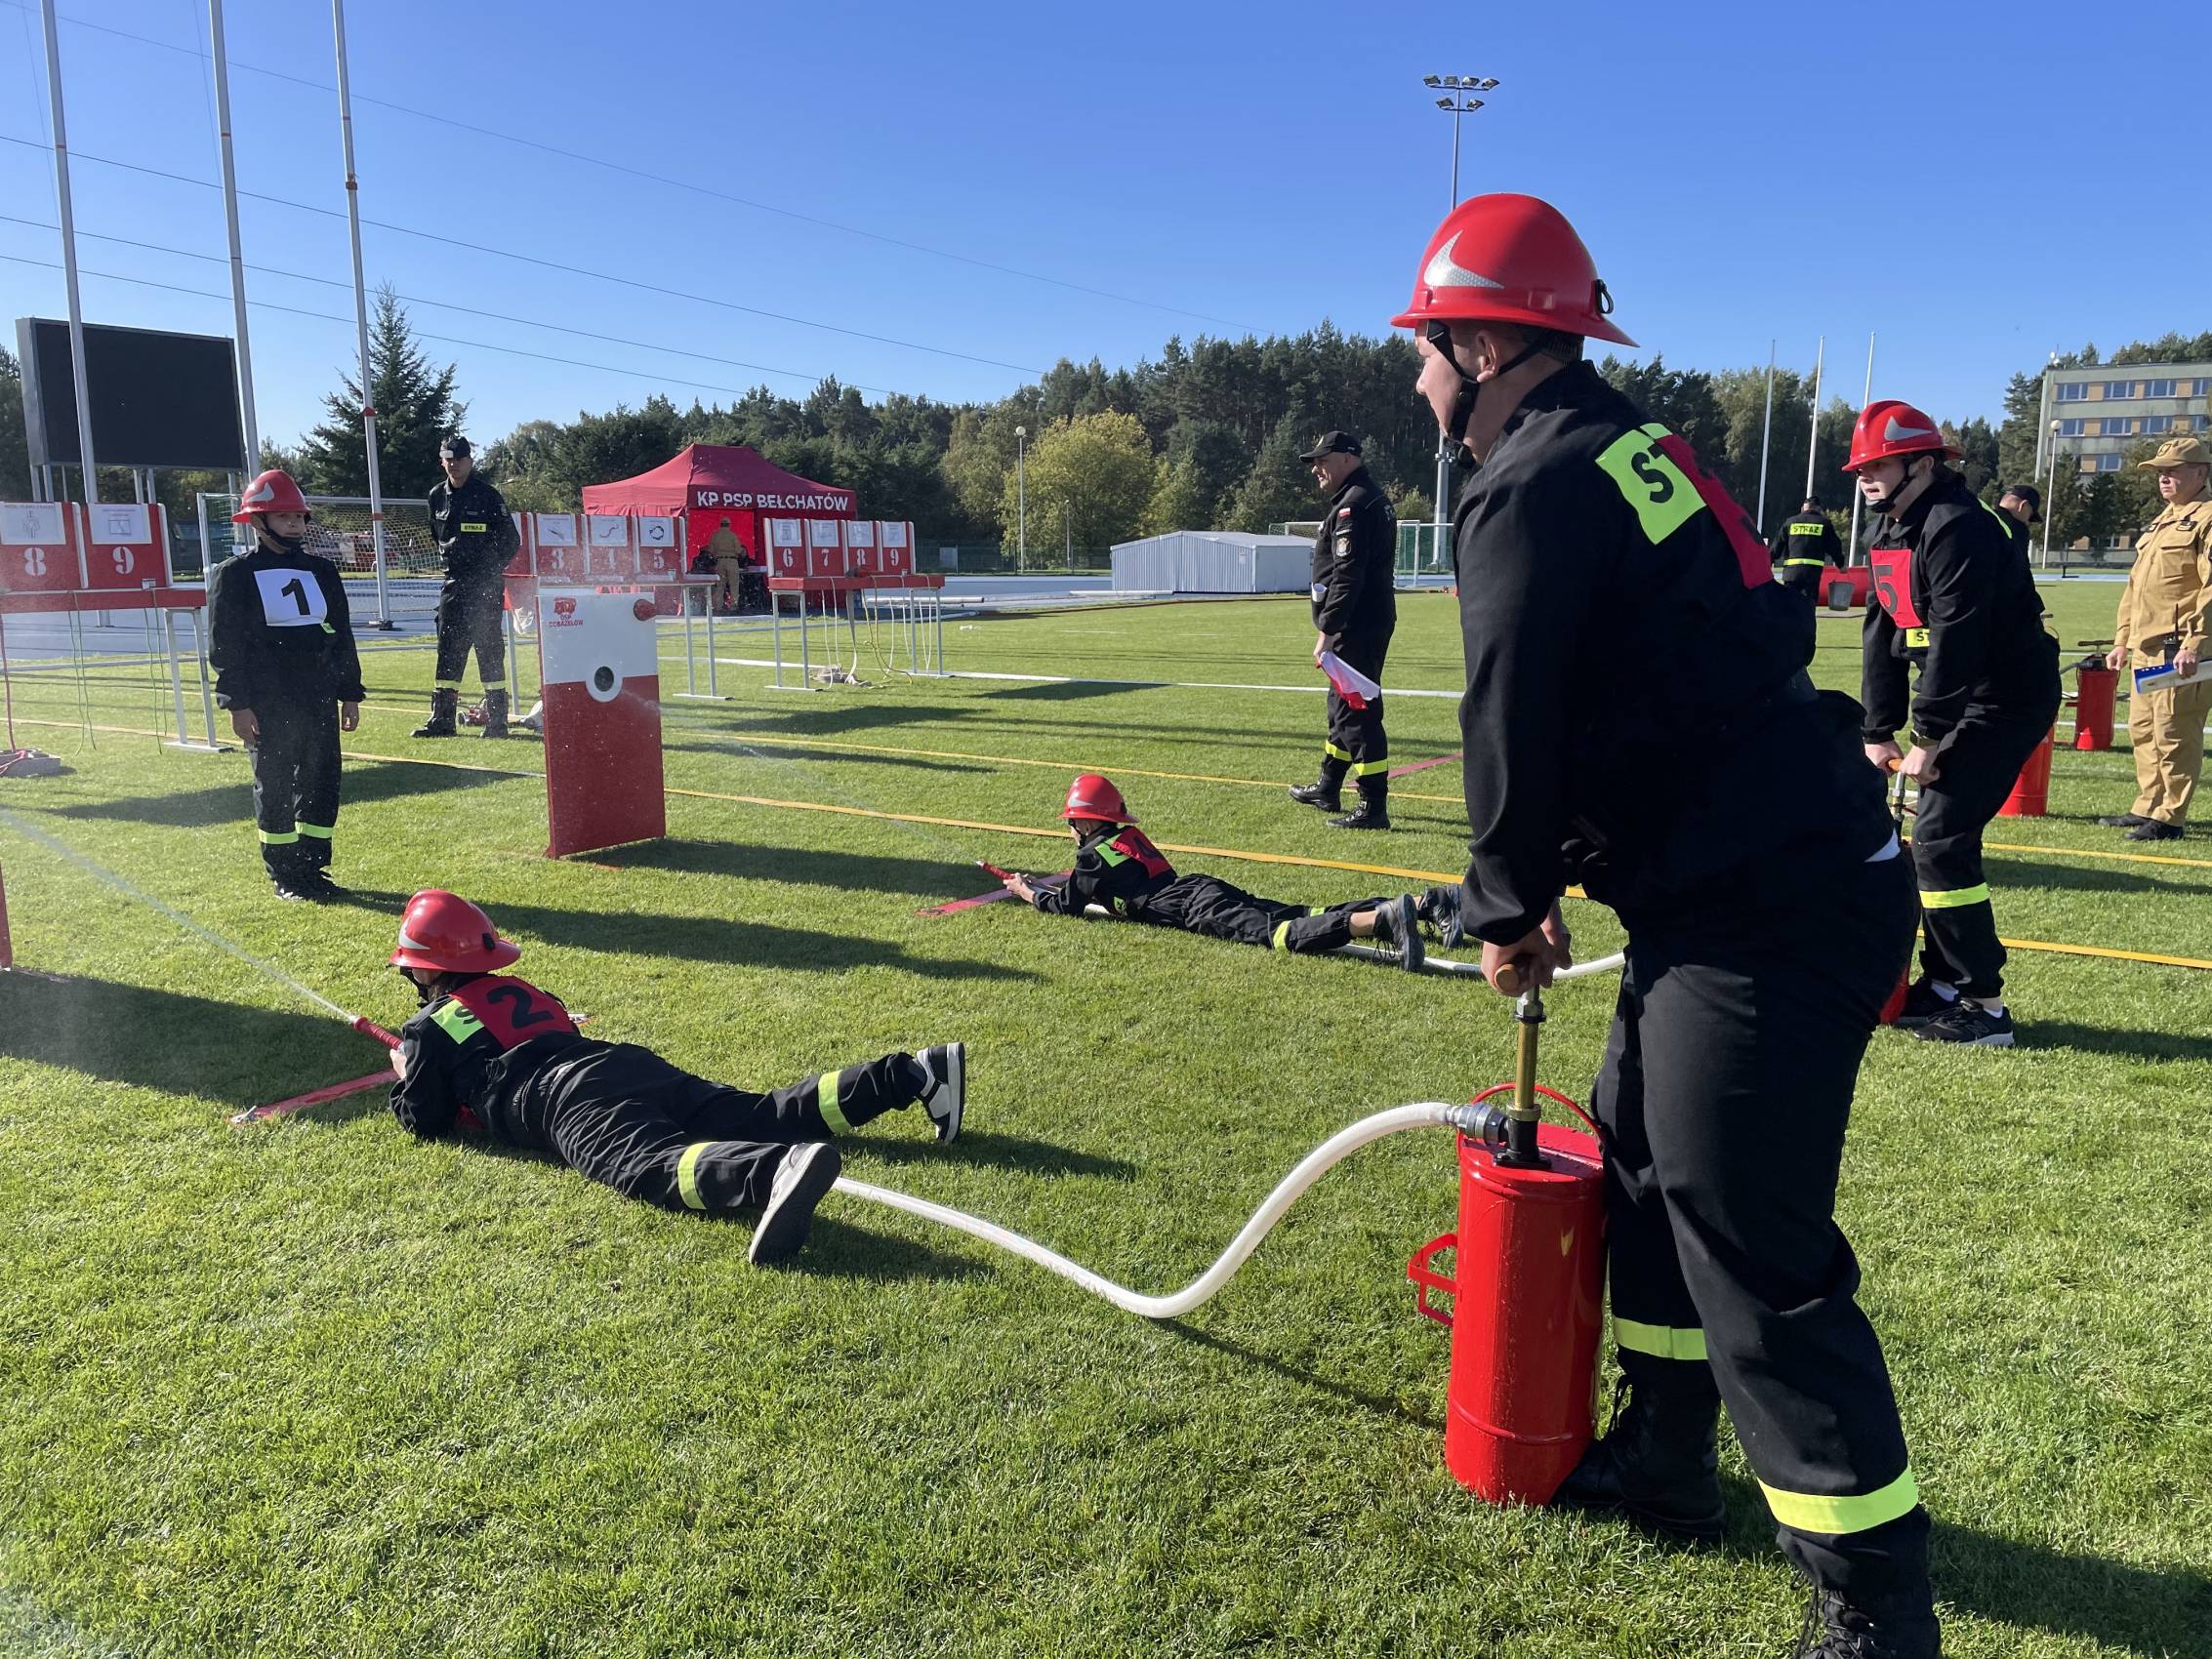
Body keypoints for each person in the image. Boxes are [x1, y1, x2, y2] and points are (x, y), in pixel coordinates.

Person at [1395, 192, 1937, 1658]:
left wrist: (1507, 904)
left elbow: (1507, 715)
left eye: (1426, 348)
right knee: (1636, 1157)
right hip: (1745, 880)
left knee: (1748, 1239)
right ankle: (1667, 1456)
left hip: (1770, 905)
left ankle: (1873, 1605)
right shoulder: (1632, 444)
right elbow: (1710, 652)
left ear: (1485, 343)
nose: (1420, 379)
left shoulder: (1526, 482)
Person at [384, 890, 967, 1266]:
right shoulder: (525, 990)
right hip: (623, 1063)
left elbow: (426, 1120)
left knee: (650, 1164)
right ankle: (910, 1074)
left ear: (426, 970)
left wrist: (407, 1075)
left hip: (566, 1100)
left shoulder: (429, 1028)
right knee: (761, 1113)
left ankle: (772, 1172)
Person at [1856, 399, 2062, 1043]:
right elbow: (1882, 630)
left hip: (2005, 698)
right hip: (1959, 695)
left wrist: (1926, 735)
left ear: (1922, 464)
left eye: (1879, 465)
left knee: (1941, 838)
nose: (1866, 478)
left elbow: (1957, 637)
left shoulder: (1958, 526)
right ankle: (1944, 986)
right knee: (1935, 842)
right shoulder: (1891, 530)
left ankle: (1983, 1004)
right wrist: (1877, 728)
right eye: (1861, 468)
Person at [1004, 774, 1427, 969]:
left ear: (1086, 822)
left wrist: (1026, 891)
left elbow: (1067, 905)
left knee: (1278, 934)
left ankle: (1380, 919)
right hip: (1196, 886)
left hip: (1190, 907)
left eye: (1072, 822)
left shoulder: (1091, 857)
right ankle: (1422, 904)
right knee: (1296, 911)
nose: (1070, 829)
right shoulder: (1124, 837)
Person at [207, 468, 365, 903]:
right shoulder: (235, 575)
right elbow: (225, 646)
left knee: (321, 782)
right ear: (258, 522)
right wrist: (237, 704)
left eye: (298, 517)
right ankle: (285, 874)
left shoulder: (323, 571)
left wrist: (350, 693)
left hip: (317, 697)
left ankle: (313, 868)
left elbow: (342, 634)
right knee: (274, 786)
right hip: (268, 702)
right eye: (283, 517)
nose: (294, 524)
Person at [2097, 435, 2212, 841]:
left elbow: (2210, 588)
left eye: (2173, 471)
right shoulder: (2162, 521)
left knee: (2175, 731)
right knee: (2144, 730)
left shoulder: (2207, 518)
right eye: (2160, 472)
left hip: (2179, 648)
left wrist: (2196, 642)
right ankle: (2148, 805)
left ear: (2200, 473)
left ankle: (2170, 816)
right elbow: (2136, 587)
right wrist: (2121, 640)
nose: (2164, 478)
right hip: (2146, 646)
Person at [1287, 431, 1398, 830]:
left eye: (1323, 460)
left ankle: (1372, 805)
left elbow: (1348, 575)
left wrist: (1329, 628)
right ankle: (1329, 785)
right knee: (1341, 707)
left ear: (1348, 458)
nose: (1316, 469)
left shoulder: (1355, 504)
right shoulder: (1361, 498)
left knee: (1358, 712)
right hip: (1361, 622)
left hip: (1355, 625)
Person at [417, 436, 520, 740]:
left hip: (484, 586)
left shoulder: (487, 496)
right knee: (448, 650)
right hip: (453, 585)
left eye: (459, 459)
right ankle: (442, 720)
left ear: (470, 461)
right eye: (449, 459)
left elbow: (511, 540)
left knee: (489, 651)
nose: (454, 464)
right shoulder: (437, 496)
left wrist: (488, 570)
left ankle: (497, 722)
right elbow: (437, 536)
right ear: (442, 461)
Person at [1768, 496, 1845, 604]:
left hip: (1791, 574)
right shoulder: (1824, 523)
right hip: (1811, 574)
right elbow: (1834, 547)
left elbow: (1777, 545)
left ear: (1802, 508)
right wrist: (1840, 565)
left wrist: (1768, 562)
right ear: (1819, 509)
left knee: (1789, 606)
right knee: (1808, 605)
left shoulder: (1790, 522)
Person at [705, 515, 749, 614]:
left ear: (721, 524)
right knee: (734, 585)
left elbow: (711, 550)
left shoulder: (715, 535)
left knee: (720, 586)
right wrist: (742, 552)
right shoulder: (733, 535)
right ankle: (733, 606)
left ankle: (718, 607)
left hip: (720, 561)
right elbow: (738, 550)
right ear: (729, 525)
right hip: (732, 561)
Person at [1995, 483, 2041, 559]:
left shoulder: (1983, 516)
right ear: (2023, 505)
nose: (2028, 522)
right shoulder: (2018, 529)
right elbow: (2018, 564)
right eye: (2030, 516)